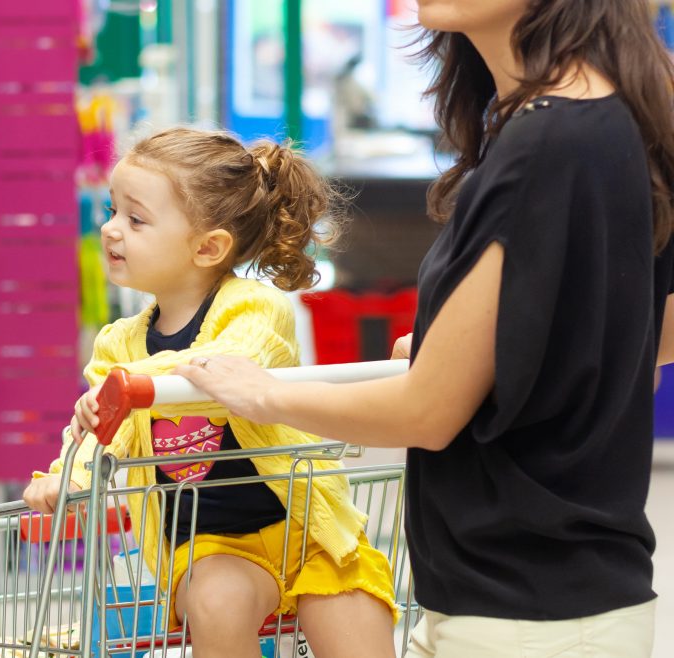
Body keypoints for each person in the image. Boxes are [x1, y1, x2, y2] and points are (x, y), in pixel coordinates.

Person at [151, 1, 674, 656]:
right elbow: (649, 328)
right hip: (560, 593)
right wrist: (478, 349)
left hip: (520, 614)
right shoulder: (619, 112)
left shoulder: (546, 145)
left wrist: (260, 394)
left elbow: (427, 411)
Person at [23, 127, 398, 658]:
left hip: (309, 531)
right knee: (216, 603)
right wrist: (68, 476)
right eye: (111, 211)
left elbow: (225, 369)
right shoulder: (117, 344)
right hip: (211, 548)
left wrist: (134, 384)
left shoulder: (255, 306)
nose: (110, 230)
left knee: (355, 629)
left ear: (208, 247)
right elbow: (97, 435)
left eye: (135, 218)